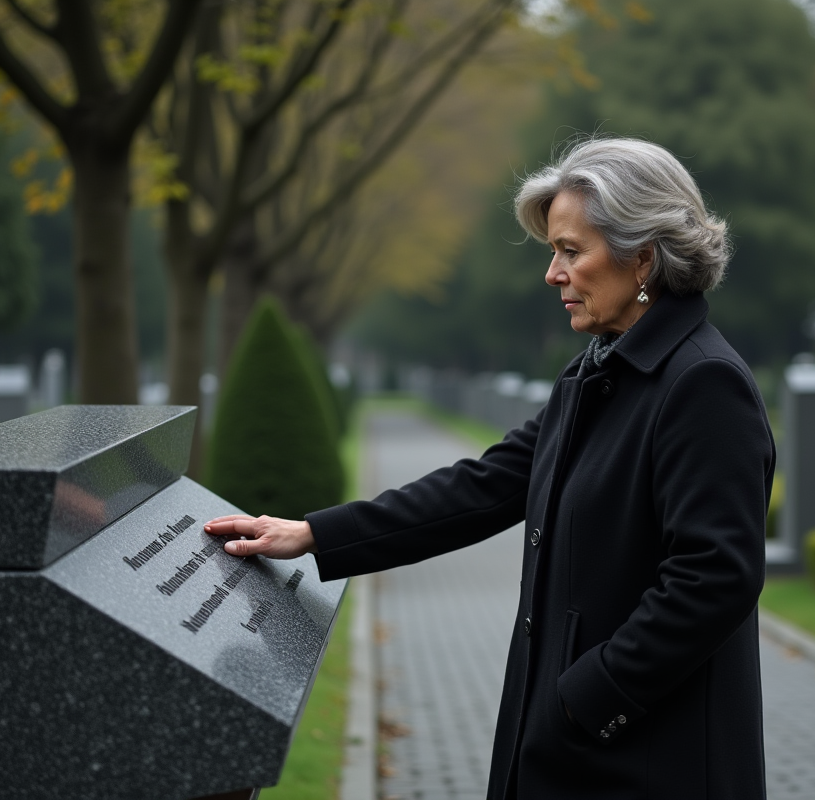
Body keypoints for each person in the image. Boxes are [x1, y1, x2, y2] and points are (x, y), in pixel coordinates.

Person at [205, 136, 776, 799]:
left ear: (643, 257)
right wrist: (315, 535)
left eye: (570, 251)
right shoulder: (598, 370)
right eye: (552, 253)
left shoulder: (702, 382)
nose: (552, 274)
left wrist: (589, 696)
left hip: (647, 760)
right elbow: (485, 486)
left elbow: (716, 579)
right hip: (573, 749)